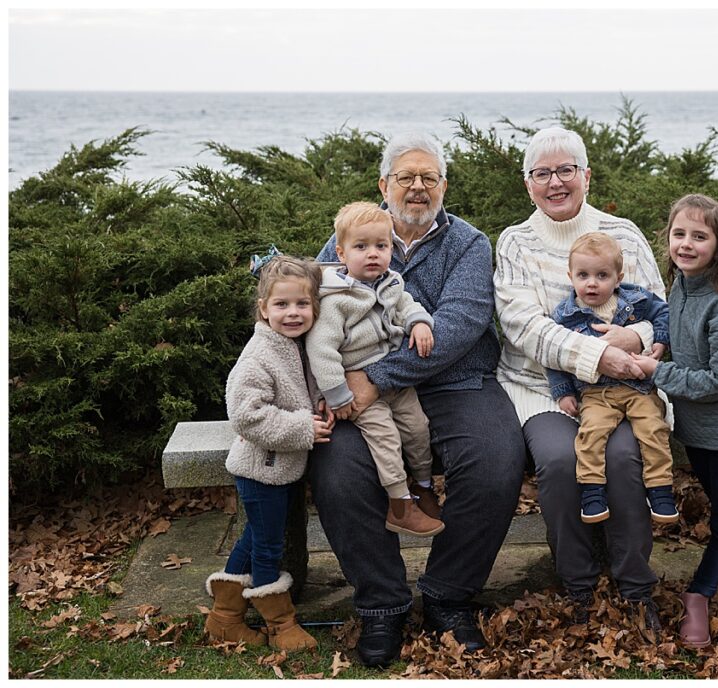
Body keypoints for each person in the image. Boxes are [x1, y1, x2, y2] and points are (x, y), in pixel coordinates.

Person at [309, 133, 527, 667]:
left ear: (444, 186)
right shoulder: (346, 241)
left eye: (429, 177)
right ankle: (382, 604)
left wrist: (378, 377)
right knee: (338, 470)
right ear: (383, 185)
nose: (417, 186)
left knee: (496, 462)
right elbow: (306, 314)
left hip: (455, 382)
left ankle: (448, 596)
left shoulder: (470, 244)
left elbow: (458, 326)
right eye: (405, 176)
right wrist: (338, 387)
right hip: (362, 390)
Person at [493, 126, 668, 631]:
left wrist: (631, 344)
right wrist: (597, 354)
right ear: (528, 184)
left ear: (586, 176)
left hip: (627, 387)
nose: (555, 182)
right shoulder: (515, 243)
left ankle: (636, 589)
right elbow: (524, 327)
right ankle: (580, 586)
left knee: (623, 456)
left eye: (565, 170)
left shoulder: (624, 234)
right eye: (542, 173)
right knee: (557, 459)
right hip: (543, 388)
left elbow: (657, 314)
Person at [630, 193, 718, 649]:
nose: (686, 244)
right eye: (679, 234)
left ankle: (699, 595)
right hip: (699, 431)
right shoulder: (681, 287)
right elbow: (681, 338)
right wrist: (659, 349)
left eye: (699, 236)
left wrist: (657, 372)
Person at [204, 255, 331, 652]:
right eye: (282, 305)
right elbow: (245, 414)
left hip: (279, 468)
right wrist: (303, 428)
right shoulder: (259, 354)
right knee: (268, 546)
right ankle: (280, 625)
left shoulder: (296, 345)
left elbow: (302, 388)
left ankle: (224, 619)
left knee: (254, 536)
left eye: (302, 304)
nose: (293, 313)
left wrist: (323, 402)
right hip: (262, 469)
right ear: (264, 309)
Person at [307, 201, 443, 538]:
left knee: (418, 428)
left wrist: (419, 323)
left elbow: (407, 303)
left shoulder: (391, 282)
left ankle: (423, 485)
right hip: (357, 392)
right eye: (361, 247)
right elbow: (321, 350)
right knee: (385, 438)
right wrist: (337, 395)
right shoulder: (335, 299)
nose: (373, 254)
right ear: (341, 252)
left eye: (381, 246)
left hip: (395, 383)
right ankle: (400, 504)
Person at [545, 232, 678, 525]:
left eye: (602, 275)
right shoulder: (565, 315)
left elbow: (664, 312)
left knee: (653, 430)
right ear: (571, 276)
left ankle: (660, 490)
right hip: (595, 394)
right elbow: (556, 357)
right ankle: (592, 492)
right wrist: (563, 391)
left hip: (639, 388)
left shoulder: (637, 299)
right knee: (590, 435)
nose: (591, 283)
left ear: (618, 278)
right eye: (583, 275)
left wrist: (661, 340)